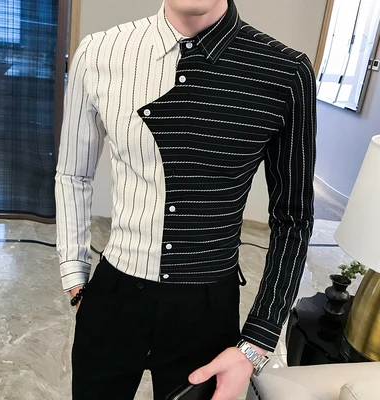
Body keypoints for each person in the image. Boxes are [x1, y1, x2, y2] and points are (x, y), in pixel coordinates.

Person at [55, 0, 316, 398]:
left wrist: (255, 344)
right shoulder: (99, 51)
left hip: (207, 309)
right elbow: (73, 174)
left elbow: (293, 219)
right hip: (113, 295)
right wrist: (75, 278)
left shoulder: (285, 72)